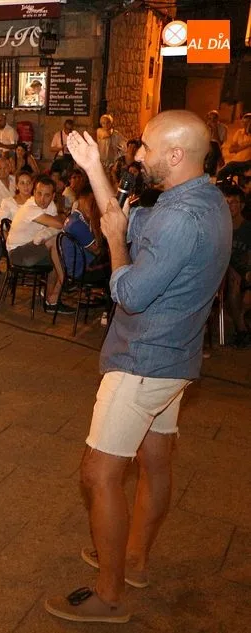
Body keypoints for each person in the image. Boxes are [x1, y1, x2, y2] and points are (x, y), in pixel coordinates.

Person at [44, 111, 231, 625]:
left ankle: (108, 594)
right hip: (175, 360)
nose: (139, 155)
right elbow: (131, 221)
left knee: (99, 474)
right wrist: (96, 171)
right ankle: (136, 562)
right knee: (156, 462)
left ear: (175, 155)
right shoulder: (206, 201)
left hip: (143, 360)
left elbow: (129, 292)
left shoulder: (180, 218)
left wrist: (116, 244)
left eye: (146, 148)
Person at [0, 170, 35, 271]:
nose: (26, 186)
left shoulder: (37, 202)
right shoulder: (9, 202)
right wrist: (9, 237)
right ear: (17, 186)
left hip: (33, 239)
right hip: (14, 239)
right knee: (4, 231)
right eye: (22, 183)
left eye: (28, 183)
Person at [220, 184, 250, 348]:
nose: (230, 206)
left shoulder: (248, 229)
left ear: (242, 205)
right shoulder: (222, 228)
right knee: (232, 276)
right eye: (227, 202)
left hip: (245, 277)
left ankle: (242, 331)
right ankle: (242, 330)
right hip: (226, 278)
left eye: (234, 202)